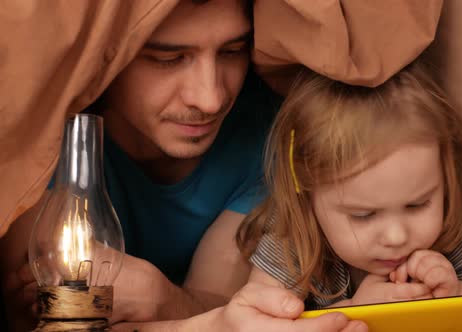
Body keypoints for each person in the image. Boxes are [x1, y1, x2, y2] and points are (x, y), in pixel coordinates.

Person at [0, 1, 368, 331]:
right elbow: (37, 312)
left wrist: (158, 296)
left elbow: (227, 305)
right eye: (167, 58)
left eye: (232, 51)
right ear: (106, 61)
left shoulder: (269, 136)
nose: (210, 98)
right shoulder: (42, 145)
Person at [236, 63, 462, 316]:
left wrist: (455, 294)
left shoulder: (450, 223)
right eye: (363, 215)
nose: (397, 236)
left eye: (417, 205)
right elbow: (256, 323)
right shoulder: (293, 237)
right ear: (307, 196)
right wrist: (358, 312)